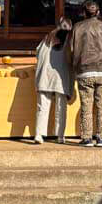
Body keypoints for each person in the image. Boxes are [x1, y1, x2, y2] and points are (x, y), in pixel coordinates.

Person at [69, 0, 102, 148]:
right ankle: (101, 137)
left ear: (84, 12)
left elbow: (71, 49)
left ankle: (87, 138)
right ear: (98, 12)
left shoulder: (78, 27)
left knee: (86, 106)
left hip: (85, 70)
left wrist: (75, 66)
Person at [33, 17, 73, 145]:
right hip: (61, 76)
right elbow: (72, 56)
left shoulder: (47, 37)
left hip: (44, 75)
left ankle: (39, 134)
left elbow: (38, 52)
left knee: (42, 107)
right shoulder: (69, 39)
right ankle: (60, 135)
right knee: (61, 108)